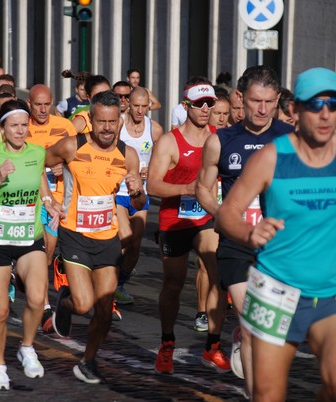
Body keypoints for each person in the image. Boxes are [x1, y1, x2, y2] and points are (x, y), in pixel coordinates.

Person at [216, 67, 336, 402]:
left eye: (333, 105)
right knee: (267, 394)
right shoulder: (271, 158)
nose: (324, 114)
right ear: (295, 110)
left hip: (335, 288)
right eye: (314, 105)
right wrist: (250, 234)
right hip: (277, 290)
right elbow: (226, 216)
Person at [195, 65, 294, 396]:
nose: (262, 109)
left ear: (278, 99)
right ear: (241, 98)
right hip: (236, 242)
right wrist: (225, 215)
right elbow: (204, 189)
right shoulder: (221, 140)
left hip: (277, 246)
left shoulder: (289, 139)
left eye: (269, 101)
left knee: (270, 332)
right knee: (253, 325)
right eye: (255, 101)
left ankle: (242, 341)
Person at [47, 90, 145, 384]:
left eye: (112, 122)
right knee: (83, 304)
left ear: (120, 120)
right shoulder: (71, 147)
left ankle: (88, 361)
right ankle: (65, 302)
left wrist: (138, 189)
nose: (106, 128)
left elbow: (139, 204)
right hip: (75, 235)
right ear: (90, 120)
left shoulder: (128, 156)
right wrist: (46, 198)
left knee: (104, 308)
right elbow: (37, 161)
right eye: (100, 121)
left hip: (108, 239)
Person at [0, 99, 63, 390]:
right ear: (2, 128)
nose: (20, 131)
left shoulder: (37, 153)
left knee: (37, 299)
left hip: (29, 238)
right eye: (14, 125)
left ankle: (26, 346)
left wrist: (51, 204)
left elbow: (42, 187)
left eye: (24, 125)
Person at [148, 78, 229, 375]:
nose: (206, 109)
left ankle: (213, 344)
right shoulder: (170, 141)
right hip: (175, 219)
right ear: (186, 106)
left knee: (218, 272)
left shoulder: (220, 139)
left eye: (210, 103)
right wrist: (189, 189)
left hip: (207, 218)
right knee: (173, 283)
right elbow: (153, 185)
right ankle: (167, 342)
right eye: (200, 104)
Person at [25, 84, 77, 329]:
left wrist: (62, 165)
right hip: (36, 199)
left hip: (64, 197)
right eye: (38, 105)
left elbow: (76, 160)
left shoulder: (65, 127)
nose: (43, 110)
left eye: (47, 104)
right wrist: (45, 167)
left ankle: (39, 276)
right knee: (46, 247)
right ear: (29, 105)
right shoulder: (22, 128)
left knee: (54, 251)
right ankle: (45, 309)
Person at [114, 86, 163, 309]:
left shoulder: (155, 130)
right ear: (128, 104)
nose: (140, 111)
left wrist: (150, 171)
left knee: (135, 244)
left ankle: (119, 285)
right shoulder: (119, 124)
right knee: (124, 236)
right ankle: (107, 279)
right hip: (118, 192)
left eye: (145, 106)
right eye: (136, 106)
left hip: (140, 194)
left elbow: (162, 162)